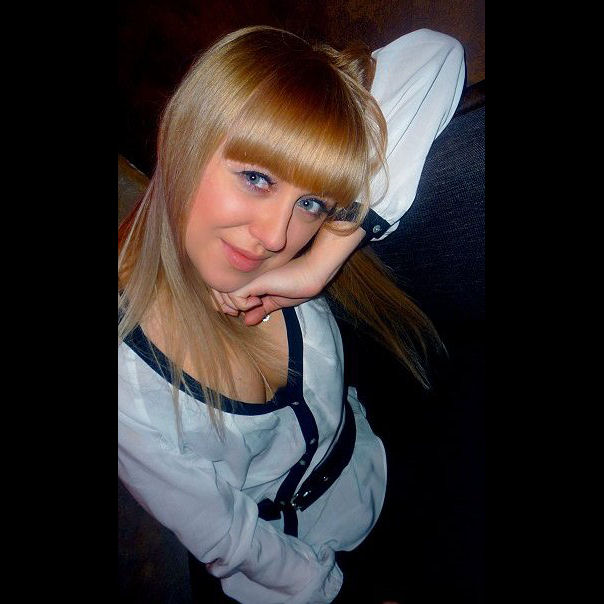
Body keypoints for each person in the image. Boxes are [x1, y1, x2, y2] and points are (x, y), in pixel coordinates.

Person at [118, 25, 464, 603]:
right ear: (183, 142)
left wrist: (317, 267)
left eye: (309, 203)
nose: (275, 237)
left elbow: (437, 57)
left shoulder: (292, 266)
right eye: (256, 178)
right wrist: (336, 591)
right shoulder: (129, 384)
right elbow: (232, 540)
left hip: (378, 477)